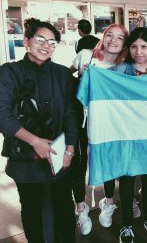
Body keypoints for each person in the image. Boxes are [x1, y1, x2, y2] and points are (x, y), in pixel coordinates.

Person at [0, 18, 79, 242]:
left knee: (64, 208)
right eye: (40, 39)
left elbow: (71, 114)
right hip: (24, 159)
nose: (46, 45)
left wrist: (70, 149)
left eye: (52, 42)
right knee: (32, 210)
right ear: (26, 41)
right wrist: (35, 141)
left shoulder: (63, 75)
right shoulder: (9, 73)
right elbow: (2, 115)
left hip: (59, 156)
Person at [70, 23, 128, 234]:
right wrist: (80, 75)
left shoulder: (124, 66)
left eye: (119, 38)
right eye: (109, 35)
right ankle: (81, 207)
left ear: (124, 44)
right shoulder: (86, 55)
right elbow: (67, 79)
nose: (113, 40)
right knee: (79, 163)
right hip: (81, 119)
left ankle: (109, 201)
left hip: (109, 122)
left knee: (108, 160)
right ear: (103, 37)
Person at [113, 27, 147, 243]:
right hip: (127, 134)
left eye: (144, 46)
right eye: (134, 46)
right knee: (126, 179)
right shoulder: (121, 69)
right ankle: (126, 224)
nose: (139, 51)